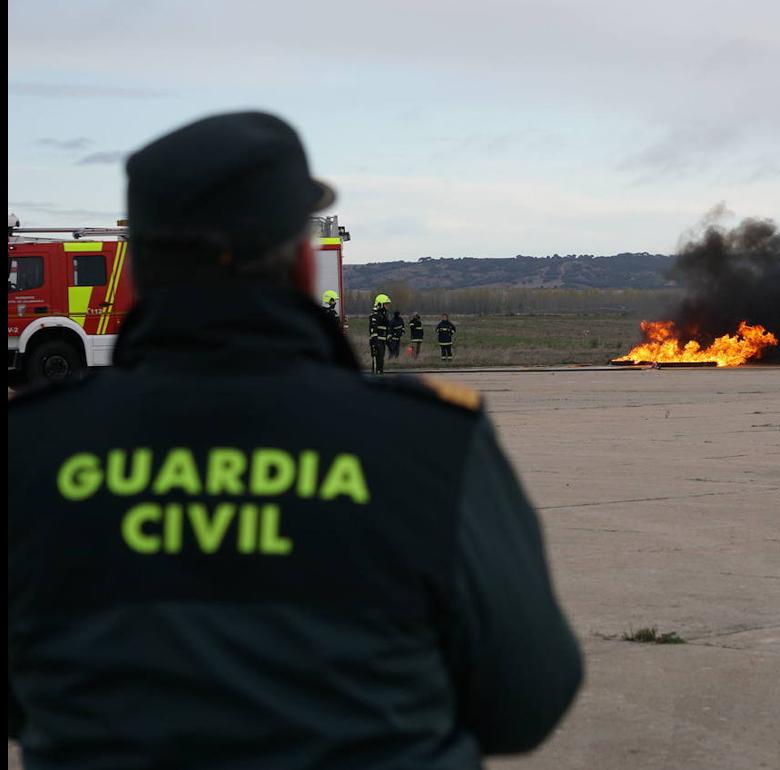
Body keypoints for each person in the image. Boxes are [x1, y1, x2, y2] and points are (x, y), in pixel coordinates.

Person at [7, 111, 582, 768]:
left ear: (132, 278)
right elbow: (527, 701)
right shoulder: (429, 444)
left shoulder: (31, 449)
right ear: (307, 264)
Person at [368, 293, 391, 373]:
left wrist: (388, 339)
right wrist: (375, 343)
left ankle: (380, 375)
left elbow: (386, 328)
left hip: (382, 342)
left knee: (381, 361)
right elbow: (373, 330)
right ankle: (376, 378)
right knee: (377, 362)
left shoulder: (383, 316)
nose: (387, 306)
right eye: (386, 304)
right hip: (377, 342)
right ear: (380, 304)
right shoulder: (375, 315)